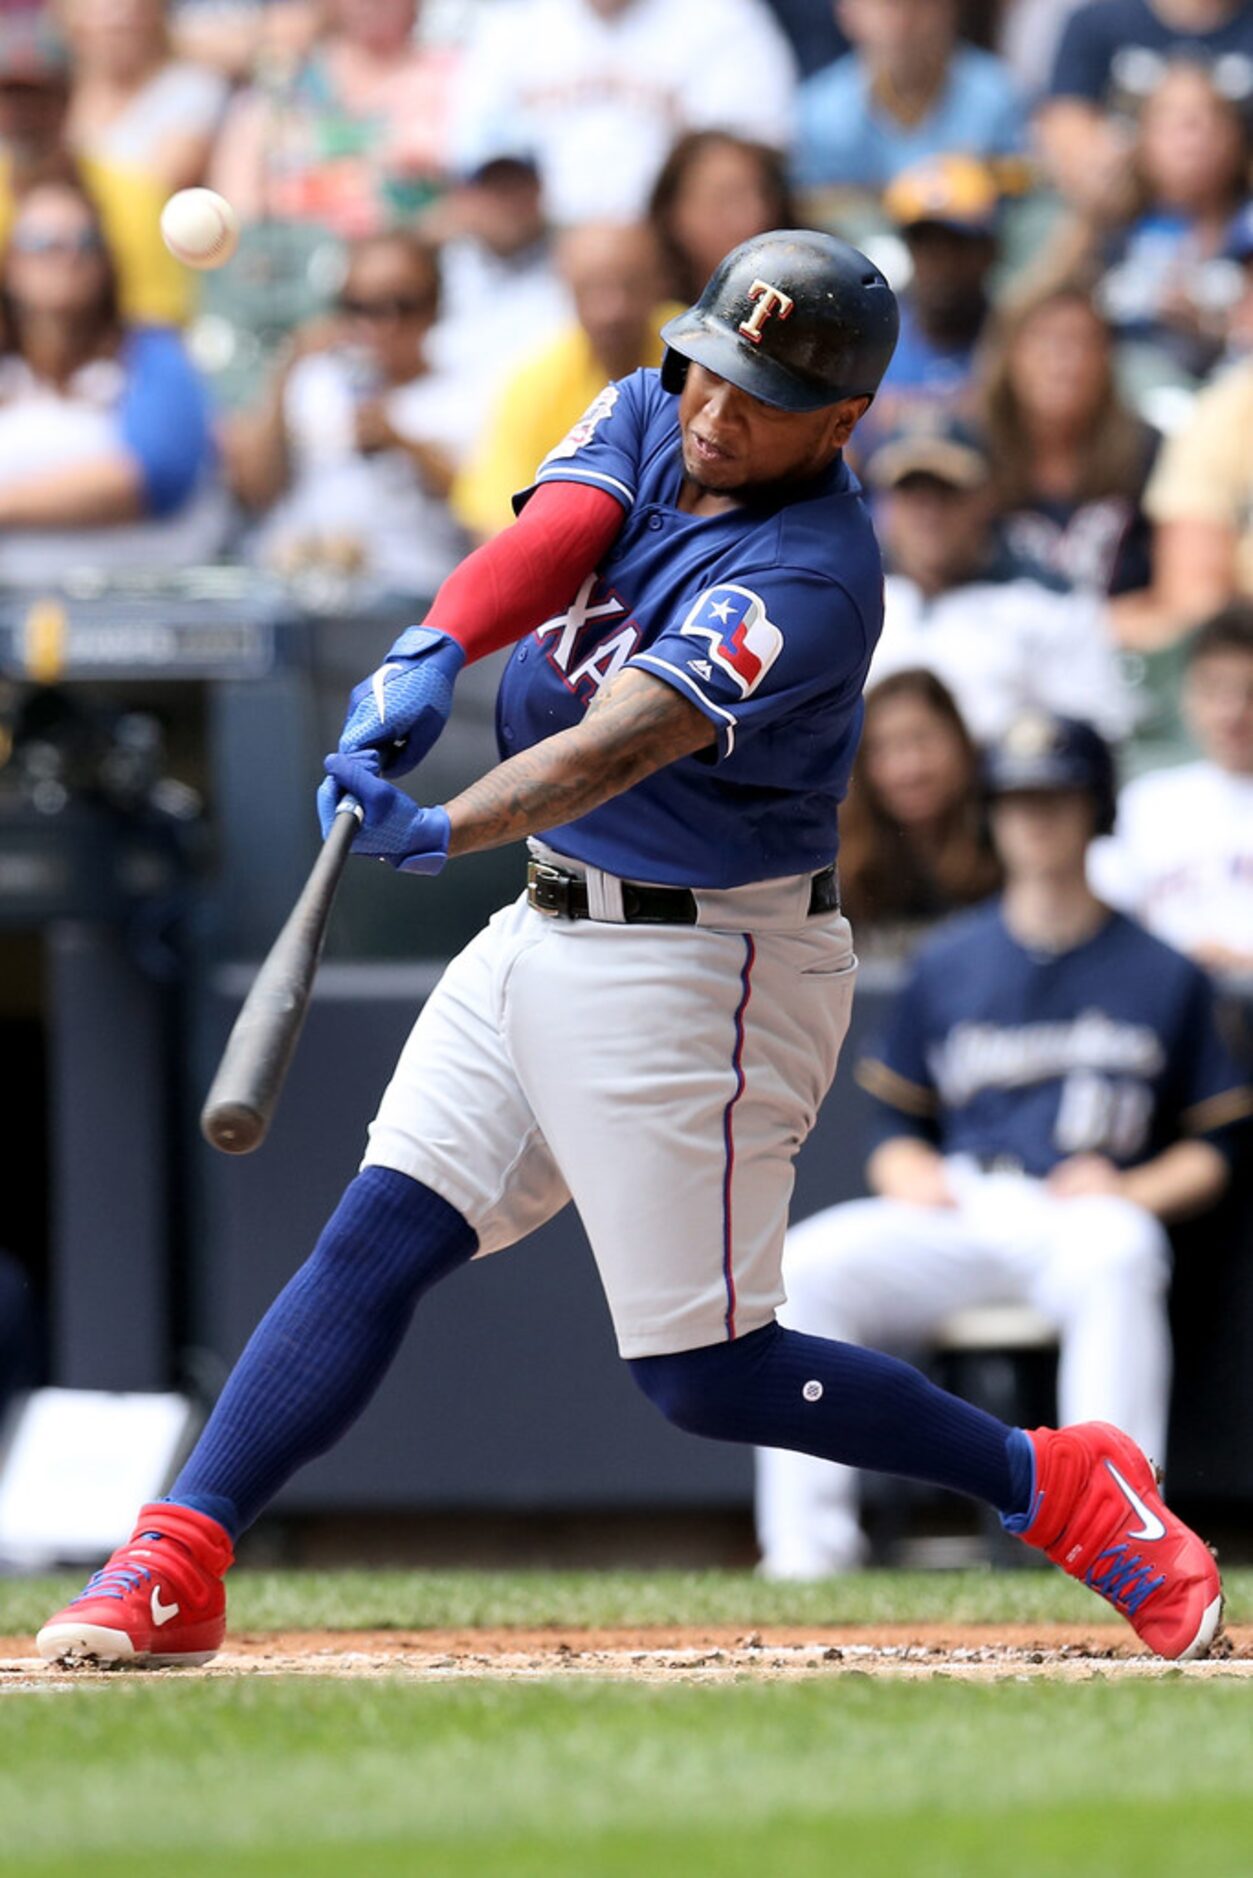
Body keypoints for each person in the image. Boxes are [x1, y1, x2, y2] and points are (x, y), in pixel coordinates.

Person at [37, 231, 1224, 1672]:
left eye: (763, 394)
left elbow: (621, 741)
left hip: (701, 966)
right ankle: (178, 1554)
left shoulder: (817, 572)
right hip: (550, 915)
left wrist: (444, 824)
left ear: (844, 419)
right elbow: (554, 536)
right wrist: (433, 643)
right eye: (713, 367)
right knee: (377, 1234)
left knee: (705, 1373)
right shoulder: (662, 402)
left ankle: (1061, 1485)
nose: (717, 413)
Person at [757, 710, 1252, 1579]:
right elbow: (898, 1130)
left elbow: (1217, 1147)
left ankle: (1118, 1542)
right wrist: (907, 1171)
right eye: (1017, 800)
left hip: (1084, 1213)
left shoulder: (1161, 967)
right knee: (804, 1268)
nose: (1033, 819)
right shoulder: (952, 960)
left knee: (1122, 1252)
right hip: (965, 1205)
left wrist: (1131, 1193)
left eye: (1054, 799)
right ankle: (806, 1559)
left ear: (1093, 807)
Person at [0, 173, 224, 582]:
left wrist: (7, 505)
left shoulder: (153, 353)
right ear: (12, 264)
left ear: (107, 263)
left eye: (87, 243)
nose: (69, 257)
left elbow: (158, 476)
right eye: (45, 244)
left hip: (142, 607)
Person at [865, 412, 1135, 742]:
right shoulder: (854, 598)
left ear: (985, 497)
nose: (928, 513)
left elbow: (1096, 736)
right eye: (910, 492)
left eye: (946, 491)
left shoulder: (1049, 601)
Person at [226, 230, 468, 598]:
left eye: (402, 305)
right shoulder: (311, 379)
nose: (379, 325)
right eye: (359, 307)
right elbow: (253, 489)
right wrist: (286, 368)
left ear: (434, 306)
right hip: (300, 590)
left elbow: (486, 508)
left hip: (414, 594)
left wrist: (402, 443)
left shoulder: (467, 392)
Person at [450, 0, 797, 227]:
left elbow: (757, 170)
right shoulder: (509, 25)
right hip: (535, 257)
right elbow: (472, 168)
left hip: (675, 261)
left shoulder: (724, 19)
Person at [451, 220, 674, 540]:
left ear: (661, 283)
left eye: (631, 286)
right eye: (593, 289)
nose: (613, 310)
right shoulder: (535, 383)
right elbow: (493, 520)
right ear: (566, 289)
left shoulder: (698, 360)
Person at [0, 7, 190, 325]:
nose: (22, 115)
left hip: (111, 364)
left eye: (38, 98)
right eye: (9, 100)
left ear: (68, 99)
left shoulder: (135, 196)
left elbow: (159, 322)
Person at [1090, 604, 1253, 974]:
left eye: (1250, 692)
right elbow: (1100, 923)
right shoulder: (1144, 803)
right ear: (1188, 696)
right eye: (1214, 689)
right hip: (1163, 1004)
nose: (1233, 713)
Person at [210, 0, 458, 237]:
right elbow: (239, 207)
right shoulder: (285, 82)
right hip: (294, 264)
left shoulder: (455, 78)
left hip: (410, 263)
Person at [979, 285, 1159, 594]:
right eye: (1045, 340)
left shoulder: (1148, 453)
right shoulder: (970, 452)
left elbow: (1176, 591)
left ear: (1107, 360)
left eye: (1082, 342)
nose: (1063, 360)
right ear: (1009, 355)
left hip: (1117, 636)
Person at [836, 667, 1001, 952]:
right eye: (885, 748)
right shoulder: (842, 872)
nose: (910, 768)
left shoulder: (1003, 848)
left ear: (960, 743)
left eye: (923, 740)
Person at [1037, 0, 1253, 214]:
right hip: (1123, 210)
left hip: (1236, 209)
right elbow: (1068, 138)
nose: (1190, 135)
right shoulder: (1096, 22)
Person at [792, 0, 1024, 196]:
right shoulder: (819, 111)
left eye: (918, 5)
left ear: (948, 9)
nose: (902, 23)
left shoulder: (1000, 95)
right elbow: (823, 223)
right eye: (884, 5)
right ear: (847, 11)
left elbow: (1023, 206)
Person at [852, 154, 1000, 459]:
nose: (941, 265)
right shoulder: (871, 340)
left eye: (957, 248)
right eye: (926, 246)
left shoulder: (1013, 341)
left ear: (988, 253)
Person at [60, 0, 230, 195]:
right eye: (98, 11)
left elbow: (160, 182)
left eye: (129, 10)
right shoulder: (59, 89)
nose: (115, 21)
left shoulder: (197, 86)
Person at [648, 131, 798, 307]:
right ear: (672, 212)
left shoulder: (812, 301)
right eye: (725, 200)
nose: (754, 217)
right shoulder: (636, 315)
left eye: (765, 196)